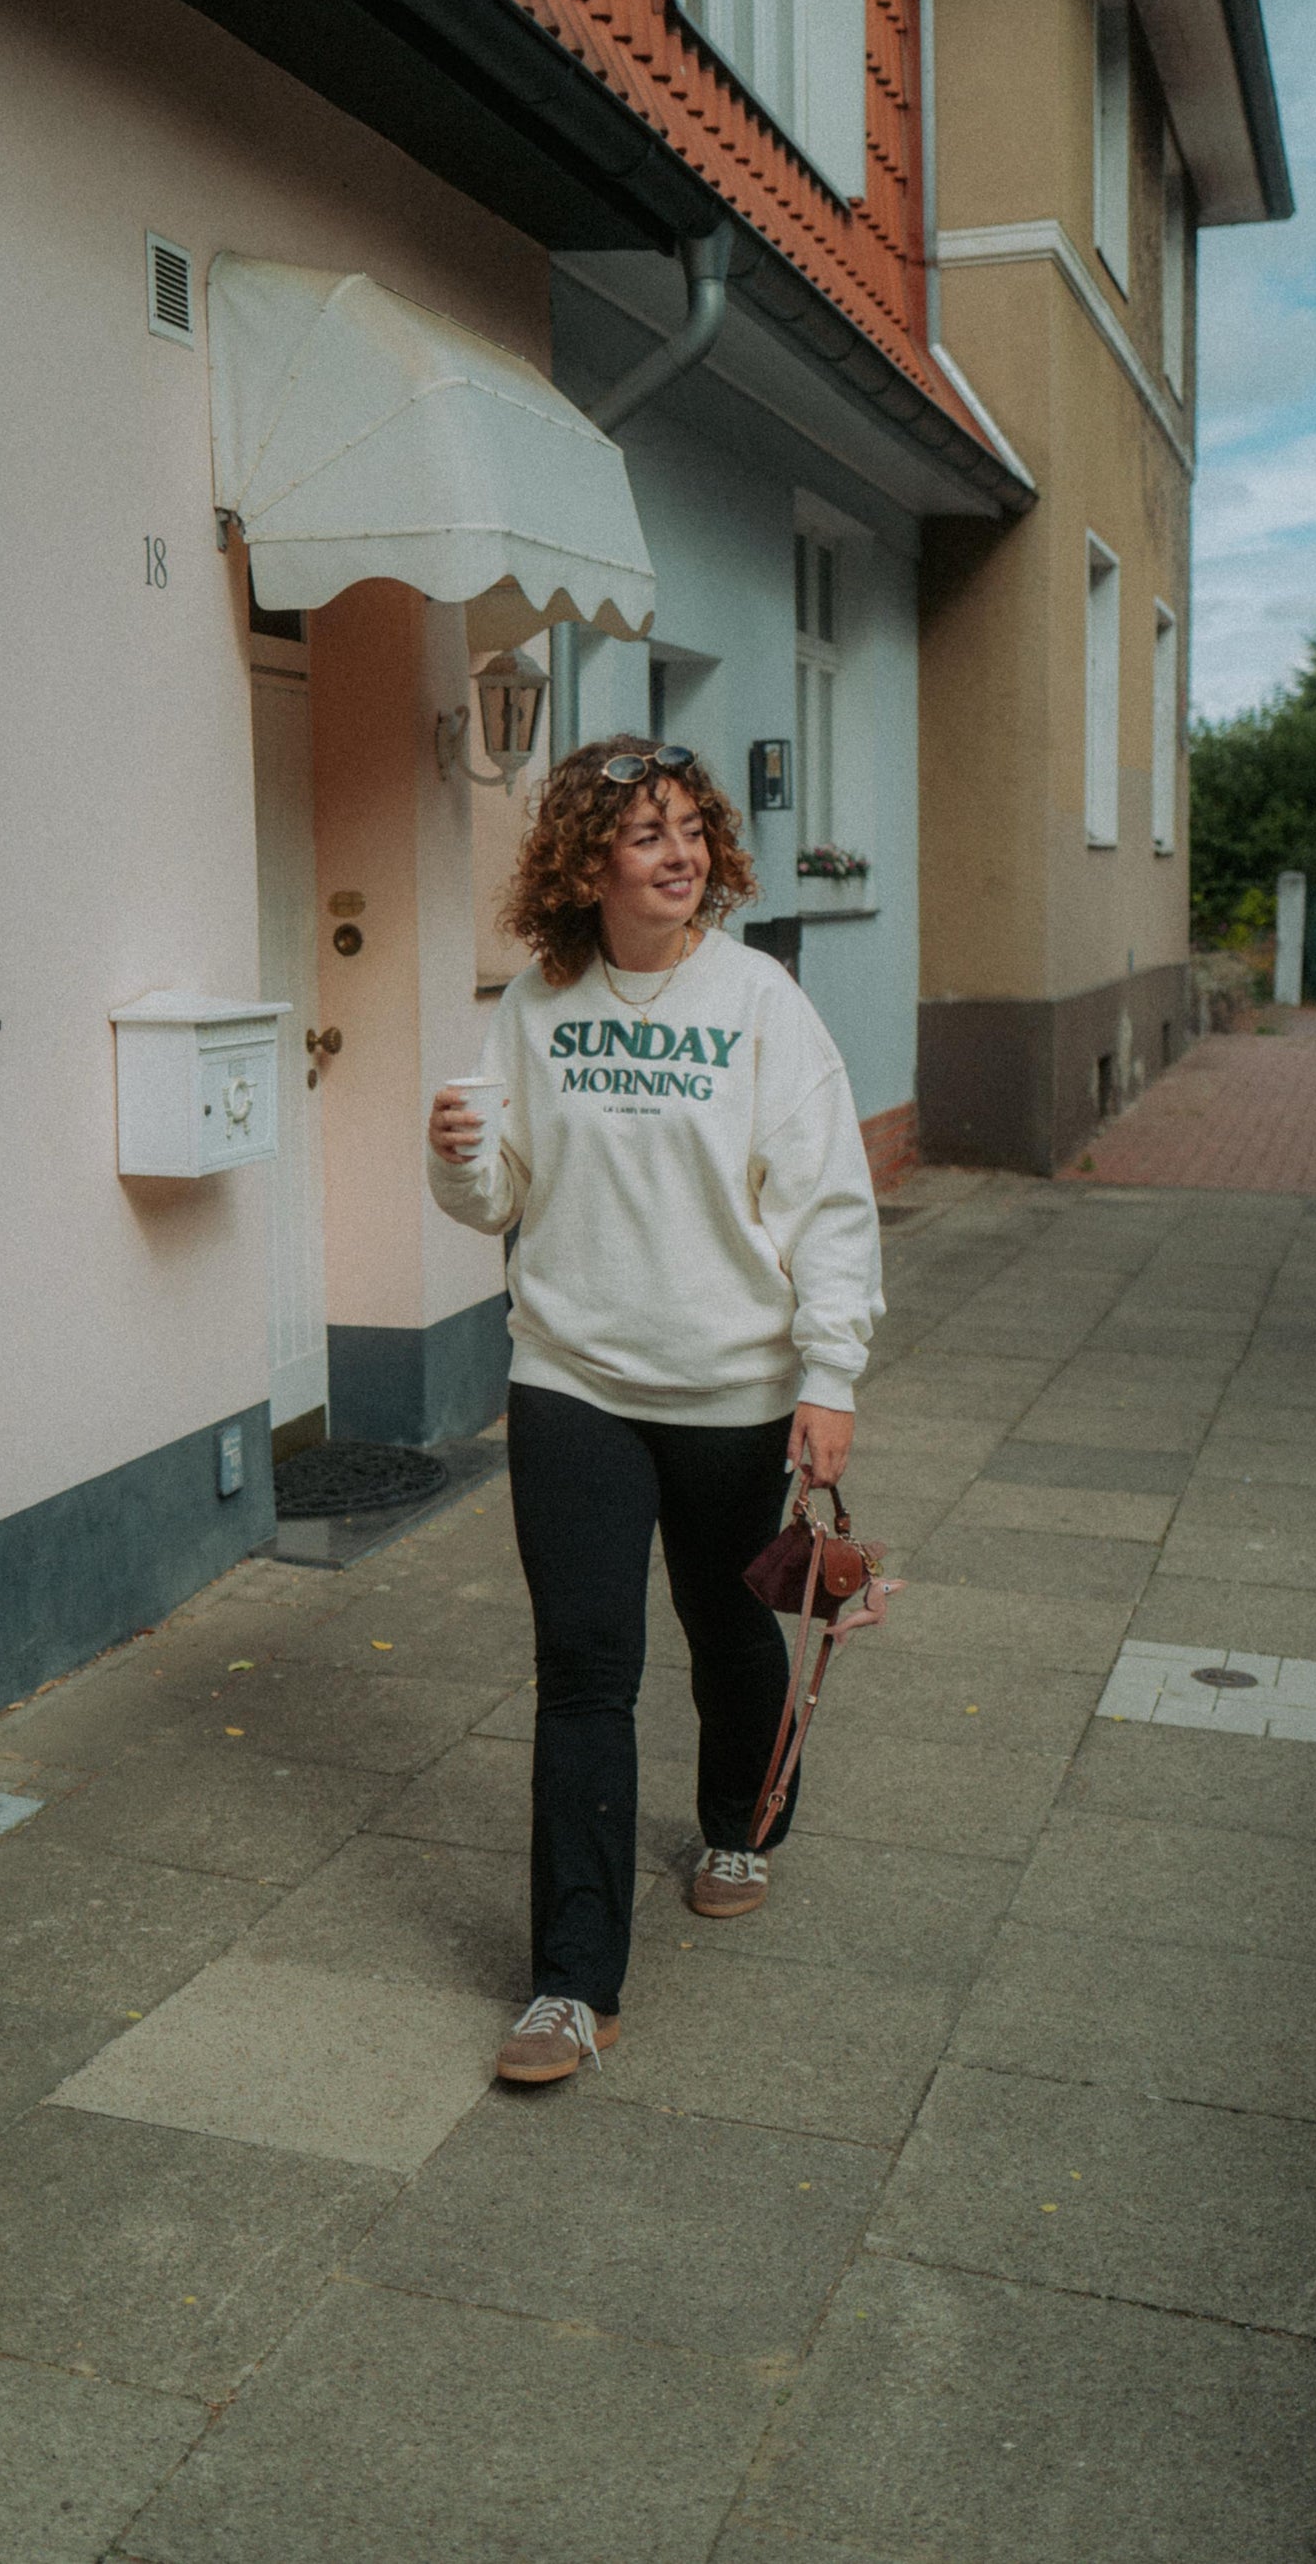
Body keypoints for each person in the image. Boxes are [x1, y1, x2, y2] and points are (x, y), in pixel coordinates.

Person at [427, 735, 883, 2085]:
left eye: (690, 828)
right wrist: (454, 1164)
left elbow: (828, 1204)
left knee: (727, 1627)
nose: (677, 852)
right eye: (644, 832)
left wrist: (829, 1373)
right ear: (587, 860)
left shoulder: (759, 1002)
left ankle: (741, 1814)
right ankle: (571, 1984)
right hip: (571, 1377)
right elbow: (496, 1196)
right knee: (582, 1672)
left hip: (733, 1386)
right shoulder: (538, 1001)